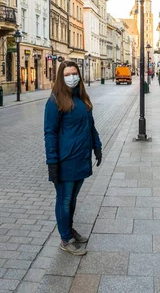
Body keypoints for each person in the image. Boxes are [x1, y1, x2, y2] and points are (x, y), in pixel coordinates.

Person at [44, 61, 102, 256]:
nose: (71, 77)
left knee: (73, 199)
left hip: (81, 157)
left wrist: (97, 146)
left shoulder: (82, 98)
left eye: (74, 73)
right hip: (65, 159)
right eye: (67, 74)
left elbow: (90, 125)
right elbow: (50, 133)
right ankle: (65, 238)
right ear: (61, 77)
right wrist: (52, 162)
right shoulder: (55, 101)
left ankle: (69, 230)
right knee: (64, 199)